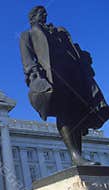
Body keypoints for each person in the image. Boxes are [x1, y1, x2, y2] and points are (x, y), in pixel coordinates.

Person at [19, 6, 109, 166]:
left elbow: (73, 51)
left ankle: (79, 156)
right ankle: (76, 156)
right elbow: (28, 60)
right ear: (33, 17)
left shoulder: (60, 32)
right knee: (64, 112)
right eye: (41, 13)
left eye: (45, 13)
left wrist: (83, 57)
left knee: (77, 114)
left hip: (74, 74)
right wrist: (35, 78)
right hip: (54, 76)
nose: (45, 15)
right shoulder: (27, 35)